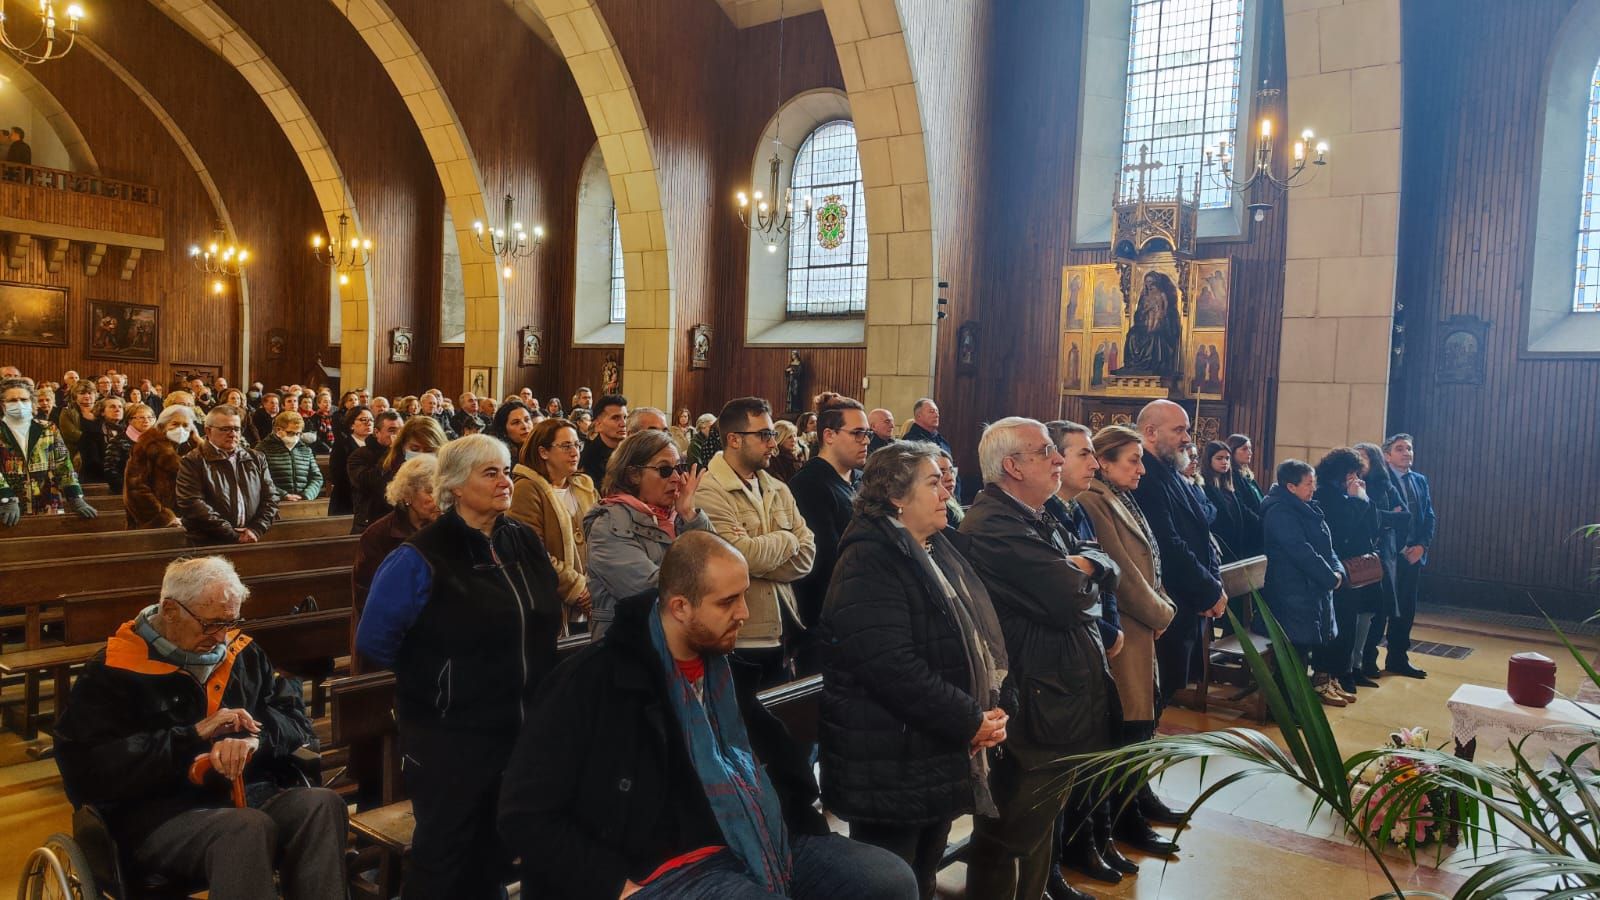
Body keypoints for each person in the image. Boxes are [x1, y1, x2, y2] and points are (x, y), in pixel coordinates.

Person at [497, 531, 919, 900]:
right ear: (680, 607)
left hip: (751, 836)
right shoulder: (592, 681)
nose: (744, 614)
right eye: (728, 601)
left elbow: (774, 767)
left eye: (745, 596)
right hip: (657, 867)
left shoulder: (720, 669)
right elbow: (524, 813)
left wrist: (797, 826)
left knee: (887, 880)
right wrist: (613, 884)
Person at [52, 556, 345, 899]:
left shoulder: (244, 653)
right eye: (211, 624)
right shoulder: (111, 672)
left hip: (250, 793)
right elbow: (89, 770)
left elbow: (296, 720)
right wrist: (192, 736)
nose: (222, 637)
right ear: (170, 610)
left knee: (322, 805)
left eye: (230, 622)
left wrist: (254, 740)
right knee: (246, 828)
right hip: (156, 814)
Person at [357, 434, 563, 899]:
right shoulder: (420, 555)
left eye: (506, 470)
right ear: (452, 486)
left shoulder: (522, 540)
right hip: (449, 734)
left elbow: (546, 613)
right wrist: (444, 679)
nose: (504, 481)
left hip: (521, 726)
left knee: (496, 854)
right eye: (490, 473)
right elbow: (375, 641)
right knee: (445, 862)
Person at [819, 441, 1008, 899]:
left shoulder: (934, 548)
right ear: (896, 497)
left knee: (922, 874)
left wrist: (991, 708)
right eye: (933, 482)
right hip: (888, 758)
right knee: (891, 880)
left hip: (930, 748)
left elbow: (974, 637)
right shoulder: (870, 558)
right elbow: (890, 666)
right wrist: (969, 718)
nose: (946, 491)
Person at [959, 417, 1119, 900]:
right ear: (1011, 466)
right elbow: (1071, 597)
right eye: (1045, 451)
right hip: (1035, 703)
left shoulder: (1034, 514)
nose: (1057, 460)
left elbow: (1096, 564)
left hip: (1057, 698)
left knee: (1039, 827)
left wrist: (1092, 566)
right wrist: (1086, 572)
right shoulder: (994, 525)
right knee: (1010, 836)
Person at [1075, 424, 1185, 857]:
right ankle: (1126, 821)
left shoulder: (1119, 497)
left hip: (1143, 629)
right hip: (1127, 632)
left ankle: (1137, 804)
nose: (1142, 468)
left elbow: (1149, 562)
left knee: (1140, 727)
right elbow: (1120, 571)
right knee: (1126, 731)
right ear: (1105, 461)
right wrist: (1161, 611)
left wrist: (1163, 605)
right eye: (1133, 460)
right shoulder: (1094, 501)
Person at [1132, 400, 1223, 708]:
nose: (1188, 438)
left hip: (1187, 604)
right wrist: (1208, 590)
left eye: (1188, 430)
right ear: (1151, 431)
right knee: (1154, 699)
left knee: (1165, 696)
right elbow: (1167, 544)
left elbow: (1201, 533)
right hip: (1168, 605)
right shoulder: (1145, 475)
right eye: (1179, 430)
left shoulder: (1169, 470)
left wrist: (1212, 586)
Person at [582, 429, 711, 638]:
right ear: (633, 475)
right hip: (630, 648)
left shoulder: (679, 516)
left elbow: (722, 565)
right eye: (665, 470)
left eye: (679, 468)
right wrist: (709, 588)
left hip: (681, 641)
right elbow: (653, 591)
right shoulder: (608, 525)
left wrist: (689, 514)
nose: (677, 478)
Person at [788, 393, 868, 676]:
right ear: (829, 435)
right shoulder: (809, 484)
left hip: (858, 613)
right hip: (824, 620)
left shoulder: (859, 479)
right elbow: (824, 559)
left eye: (867, 433)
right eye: (857, 433)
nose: (866, 440)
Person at [1260, 459, 1346, 705]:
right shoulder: (1279, 512)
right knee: (1293, 652)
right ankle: (1285, 707)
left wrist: (1337, 571)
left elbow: (1328, 548)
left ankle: (1299, 703)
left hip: (1311, 589)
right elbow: (1300, 550)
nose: (1313, 488)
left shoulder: (1307, 508)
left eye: (1314, 482)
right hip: (1290, 591)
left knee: (1303, 649)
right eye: (1308, 483)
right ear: (1291, 487)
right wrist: (1330, 578)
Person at [351, 455, 440, 672]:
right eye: (430, 491)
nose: (438, 499)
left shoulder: (444, 529)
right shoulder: (378, 535)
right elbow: (367, 598)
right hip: (391, 647)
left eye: (442, 490)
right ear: (407, 495)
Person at [509, 418, 597, 635]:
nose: (575, 452)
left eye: (577, 445)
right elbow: (530, 551)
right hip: (552, 604)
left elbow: (603, 536)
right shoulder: (527, 489)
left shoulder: (583, 486)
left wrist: (597, 587)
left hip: (595, 597)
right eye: (566, 446)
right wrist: (577, 589)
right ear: (543, 452)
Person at [1313, 448, 1381, 701]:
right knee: (1335, 626)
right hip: (1335, 568)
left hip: (1353, 568)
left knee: (1349, 624)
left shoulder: (1348, 493)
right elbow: (1342, 530)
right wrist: (1355, 500)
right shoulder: (1325, 495)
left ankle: (1339, 674)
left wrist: (1362, 498)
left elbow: (1373, 527)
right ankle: (1326, 677)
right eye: (1351, 473)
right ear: (1340, 472)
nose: (1354, 477)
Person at [1366, 433, 1434, 680]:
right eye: (1400, 449)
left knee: (1406, 609)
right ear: (1387, 455)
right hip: (1390, 555)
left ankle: (1398, 658)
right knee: (1381, 608)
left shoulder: (1420, 480)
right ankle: (1368, 661)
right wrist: (1403, 547)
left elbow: (1429, 516)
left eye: (1409, 449)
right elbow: (1381, 518)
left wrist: (1421, 547)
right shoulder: (1380, 481)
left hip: (1414, 556)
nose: (1407, 453)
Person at [176, 405, 278, 546]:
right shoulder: (193, 461)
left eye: (236, 429)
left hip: (251, 537)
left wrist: (257, 529)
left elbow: (271, 497)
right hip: (208, 541)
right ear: (208, 431)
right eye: (225, 429)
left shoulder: (256, 458)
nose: (232, 434)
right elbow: (192, 503)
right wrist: (232, 534)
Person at [0, 378, 96, 524]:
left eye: (24, 399)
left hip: (47, 502)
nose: (19, 404)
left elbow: (63, 463)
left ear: (31, 402)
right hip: (9, 507)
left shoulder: (47, 428)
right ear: (3, 404)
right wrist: (6, 498)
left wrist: (75, 496)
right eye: (12, 400)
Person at [351, 413, 443, 532]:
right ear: (403, 447)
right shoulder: (388, 464)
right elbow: (377, 490)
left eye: (429, 450)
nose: (422, 455)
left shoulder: (444, 473)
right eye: (415, 449)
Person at [125, 406, 201, 529]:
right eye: (175, 424)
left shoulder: (192, 448)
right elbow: (136, 489)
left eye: (185, 425)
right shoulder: (146, 446)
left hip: (190, 519)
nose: (180, 429)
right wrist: (164, 517)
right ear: (163, 425)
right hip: (157, 523)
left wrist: (198, 442)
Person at [1201, 439, 1260, 562]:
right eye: (1219, 458)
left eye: (1227, 458)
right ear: (1209, 460)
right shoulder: (1204, 485)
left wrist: (1262, 524)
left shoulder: (1228, 485)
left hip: (1237, 543)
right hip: (1220, 545)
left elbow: (1242, 510)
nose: (1224, 462)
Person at [260, 410, 324, 502]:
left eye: (298, 433)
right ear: (278, 430)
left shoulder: (305, 450)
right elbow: (260, 479)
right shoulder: (263, 449)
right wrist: (284, 495)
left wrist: (307, 495)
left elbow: (316, 477)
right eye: (290, 433)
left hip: (303, 502)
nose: (295, 437)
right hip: (274, 502)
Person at [328, 405, 373, 516]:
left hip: (370, 501)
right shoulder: (342, 445)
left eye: (371, 420)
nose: (368, 423)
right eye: (363, 420)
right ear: (351, 425)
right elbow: (337, 476)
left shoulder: (376, 446)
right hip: (346, 500)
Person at [103, 401, 152, 496]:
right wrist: (130, 489)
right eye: (141, 417)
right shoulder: (118, 441)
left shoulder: (158, 441)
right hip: (126, 493)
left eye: (150, 417)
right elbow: (110, 470)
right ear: (130, 420)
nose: (146, 420)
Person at [76, 395, 126, 485]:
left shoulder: (127, 431)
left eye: (120, 407)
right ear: (102, 412)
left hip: (123, 479)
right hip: (98, 481)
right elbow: (92, 463)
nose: (117, 409)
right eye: (112, 407)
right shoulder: (91, 432)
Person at [579, 393, 628, 483]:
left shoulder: (631, 450)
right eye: (615, 418)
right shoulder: (589, 458)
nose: (623, 424)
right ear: (598, 425)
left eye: (625, 417)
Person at [57, 380, 99, 469]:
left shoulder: (101, 411)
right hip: (77, 453)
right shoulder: (67, 411)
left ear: (95, 395)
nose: (87, 396)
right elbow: (70, 434)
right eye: (82, 393)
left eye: (90, 393)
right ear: (75, 396)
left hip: (100, 453)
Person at [1226, 433, 1264, 517]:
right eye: (1244, 449)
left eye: (1250, 448)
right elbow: (1242, 506)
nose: (1250, 452)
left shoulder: (1246, 474)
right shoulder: (1232, 476)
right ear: (1232, 451)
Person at [935, 448, 963, 528]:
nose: (950, 478)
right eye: (942, 472)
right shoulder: (937, 511)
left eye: (951, 471)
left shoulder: (951, 501)